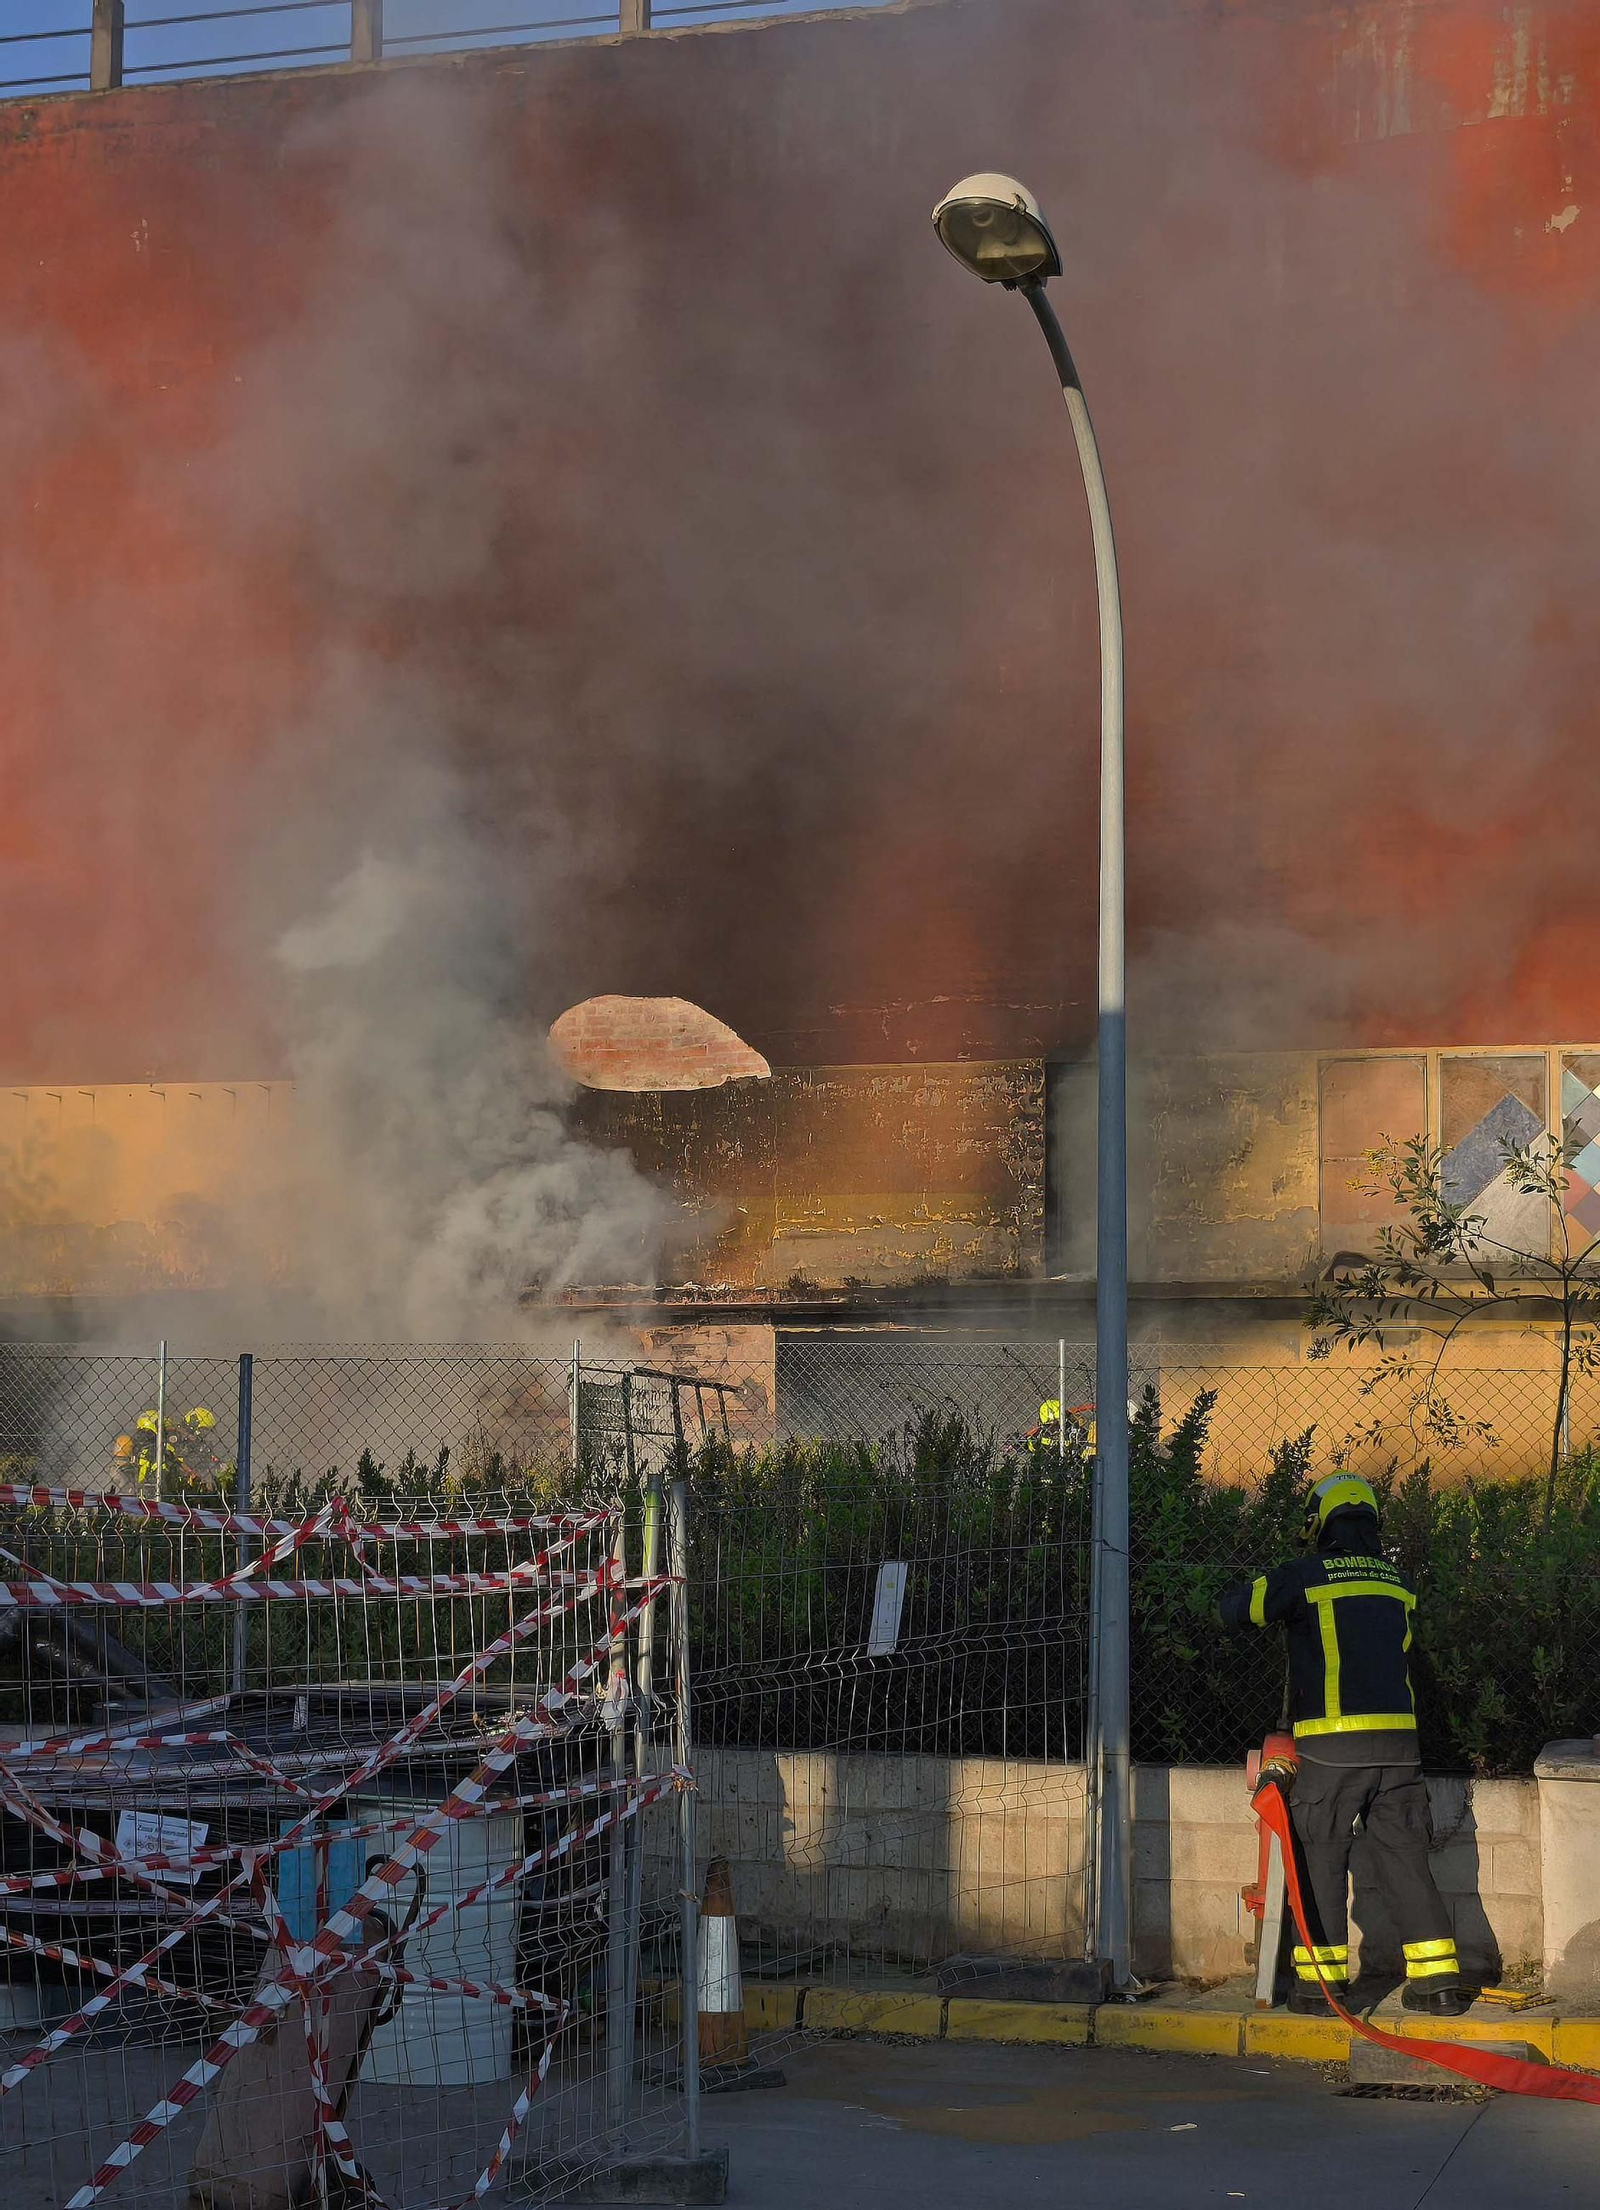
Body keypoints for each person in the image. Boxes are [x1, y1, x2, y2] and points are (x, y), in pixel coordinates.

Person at [1219, 1470, 1468, 2018]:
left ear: (1319, 1520)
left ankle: (1321, 1988)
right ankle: (1439, 1983)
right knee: (1406, 1858)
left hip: (1332, 1747)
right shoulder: (1396, 1582)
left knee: (1321, 1857)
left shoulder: (1305, 1575)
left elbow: (1240, 1610)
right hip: (1400, 1746)